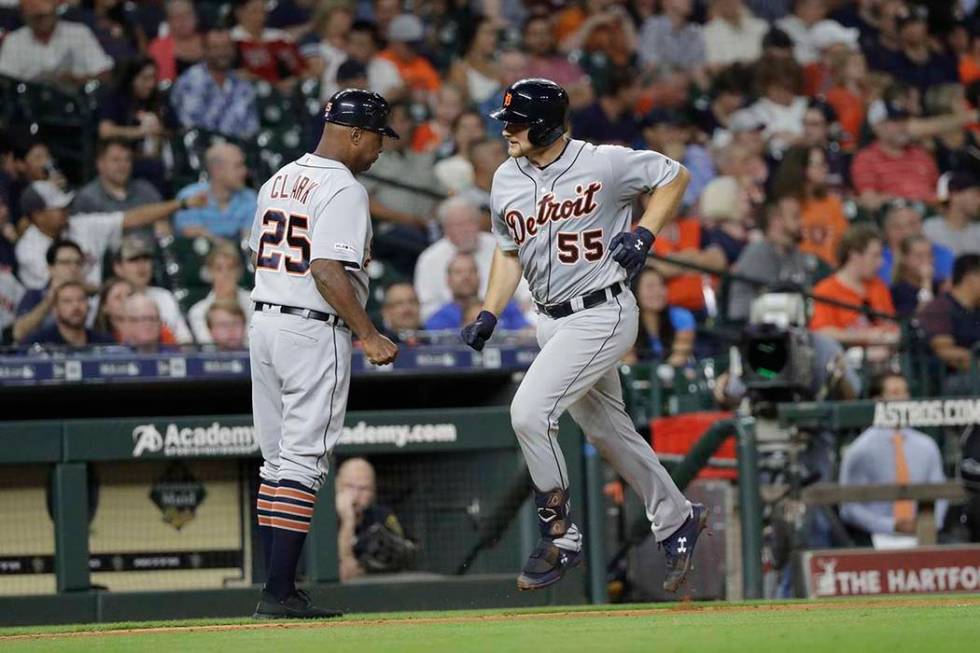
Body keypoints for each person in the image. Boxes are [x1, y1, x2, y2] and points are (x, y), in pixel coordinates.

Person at [460, 78, 706, 593]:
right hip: (551, 319)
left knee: (529, 412)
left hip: (602, 312)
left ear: (547, 123)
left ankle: (559, 536)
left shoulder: (603, 162)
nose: (507, 129)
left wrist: (645, 232)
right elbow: (508, 253)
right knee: (608, 433)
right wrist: (489, 311)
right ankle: (676, 516)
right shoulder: (506, 177)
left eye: (517, 122)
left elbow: (674, 176)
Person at [249, 89, 398, 619]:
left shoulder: (277, 178)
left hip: (265, 320)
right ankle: (280, 593)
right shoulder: (344, 187)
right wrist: (368, 334)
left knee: (276, 464)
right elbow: (325, 268)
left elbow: (257, 253)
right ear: (355, 133)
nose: (381, 147)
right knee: (303, 462)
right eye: (378, 135)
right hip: (313, 330)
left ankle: (276, 587)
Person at [15, 181, 205, 290]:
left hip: (97, 312)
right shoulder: (28, 249)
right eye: (57, 208)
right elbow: (62, 288)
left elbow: (133, 218)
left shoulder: (81, 225)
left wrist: (182, 204)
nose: (65, 210)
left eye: (65, 205)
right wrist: (106, 290)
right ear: (37, 215)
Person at [840, 372, 948, 542]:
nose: (903, 398)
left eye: (906, 392)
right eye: (896, 393)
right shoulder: (860, 449)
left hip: (925, 536)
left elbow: (941, 493)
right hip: (874, 538)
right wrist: (891, 525)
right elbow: (849, 507)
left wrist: (930, 524)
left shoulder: (927, 445)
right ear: (878, 400)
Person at [359, 102, 443, 277]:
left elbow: (440, 195)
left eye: (404, 121)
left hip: (428, 227)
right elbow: (363, 200)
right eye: (393, 121)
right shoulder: (373, 160)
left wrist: (430, 219)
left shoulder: (422, 159)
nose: (400, 127)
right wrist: (407, 219)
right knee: (417, 246)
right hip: (390, 229)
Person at [728, 196, 822, 323]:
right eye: (795, 217)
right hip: (751, 328)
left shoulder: (797, 255)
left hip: (789, 329)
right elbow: (769, 297)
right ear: (776, 221)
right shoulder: (757, 253)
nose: (801, 222)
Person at [810, 224, 898, 348]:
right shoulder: (825, 290)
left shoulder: (879, 286)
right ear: (854, 255)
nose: (881, 262)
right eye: (875, 255)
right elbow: (821, 332)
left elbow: (891, 325)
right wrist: (866, 336)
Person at [414, 197, 497, 321]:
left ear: (479, 223)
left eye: (469, 222)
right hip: (449, 326)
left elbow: (526, 295)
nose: (464, 230)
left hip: (502, 321)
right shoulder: (429, 259)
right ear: (444, 228)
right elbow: (427, 308)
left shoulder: (499, 247)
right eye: (456, 225)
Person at [170, 27, 260, 139]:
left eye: (227, 47)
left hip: (242, 150)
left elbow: (252, 129)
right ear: (205, 50)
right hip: (203, 150)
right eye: (216, 48)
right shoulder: (190, 82)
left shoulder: (243, 85)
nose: (222, 52)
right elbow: (191, 130)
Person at [851, 99, 939, 212]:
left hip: (931, 215)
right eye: (895, 122)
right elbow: (870, 201)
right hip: (896, 218)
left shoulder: (920, 154)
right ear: (877, 127)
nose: (902, 126)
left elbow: (937, 191)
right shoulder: (866, 159)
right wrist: (902, 201)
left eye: (904, 121)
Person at [335, 457, 414, 581]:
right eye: (349, 486)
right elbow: (344, 572)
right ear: (336, 485)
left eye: (363, 489)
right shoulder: (318, 519)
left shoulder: (382, 516)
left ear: (373, 492)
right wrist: (348, 521)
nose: (355, 495)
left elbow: (406, 556)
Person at [0, 0, 113, 86]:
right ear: (24, 15)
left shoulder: (79, 33)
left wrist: (77, 80)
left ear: (55, 9)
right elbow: (5, 81)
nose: (43, 21)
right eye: (37, 17)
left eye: (46, 15)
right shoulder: (14, 41)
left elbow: (104, 73)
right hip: (30, 106)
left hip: (77, 103)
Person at [771, 144, 848, 267]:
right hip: (798, 271)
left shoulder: (833, 203)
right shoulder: (788, 204)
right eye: (818, 164)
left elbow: (843, 242)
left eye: (824, 163)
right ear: (801, 168)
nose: (825, 168)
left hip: (831, 272)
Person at [111, 235, 193, 343]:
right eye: (133, 260)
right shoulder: (111, 298)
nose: (141, 266)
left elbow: (184, 340)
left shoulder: (164, 296)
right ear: (118, 267)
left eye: (146, 258)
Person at [424, 253, 528, 332]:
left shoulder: (503, 307)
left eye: (471, 271)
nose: (466, 277)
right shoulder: (439, 319)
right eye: (458, 272)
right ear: (448, 280)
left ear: (479, 277)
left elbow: (526, 332)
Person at [174, 143, 257, 240]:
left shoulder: (250, 197)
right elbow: (193, 237)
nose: (245, 171)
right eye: (238, 166)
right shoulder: (189, 197)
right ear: (217, 170)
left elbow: (250, 241)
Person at [71, 139, 163, 228]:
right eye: (116, 160)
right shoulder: (87, 199)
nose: (123, 165)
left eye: (127, 159)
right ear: (100, 163)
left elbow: (164, 227)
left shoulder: (146, 190)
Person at [12, 239, 87, 343]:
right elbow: (18, 333)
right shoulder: (35, 295)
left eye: (78, 263)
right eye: (66, 262)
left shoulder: (89, 295)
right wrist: (48, 301)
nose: (73, 268)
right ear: (50, 268)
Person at [917, 254, 980, 375]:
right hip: (953, 377)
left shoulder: (976, 307)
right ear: (971, 277)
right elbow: (944, 350)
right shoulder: (941, 307)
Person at [520, 15, 592, 110]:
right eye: (535, 34)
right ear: (525, 37)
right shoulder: (520, 66)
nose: (541, 38)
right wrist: (568, 91)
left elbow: (587, 95)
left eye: (546, 33)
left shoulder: (566, 64)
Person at [230, 0, 306, 88]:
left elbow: (303, 69)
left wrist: (296, 80)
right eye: (254, 11)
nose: (260, 17)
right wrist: (273, 85)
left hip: (293, 92)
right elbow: (237, 75)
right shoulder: (232, 41)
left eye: (263, 11)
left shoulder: (281, 38)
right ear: (239, 12)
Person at [187, 242, 252, 343]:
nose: (225, 274)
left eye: (231, 268)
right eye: (219, 269)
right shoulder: (198, 311)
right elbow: (208, 347)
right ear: (210, 272)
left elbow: (252, 343)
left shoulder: (253, 302)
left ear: (239, 272)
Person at [878, 200, 954, 286]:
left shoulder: (942, 254)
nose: (906, 232)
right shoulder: (878, 260)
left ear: (921, 226)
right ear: (886, 232)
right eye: (897, 227)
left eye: (912, 224)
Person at [629, 267, 694, 366]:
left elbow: (679, 357)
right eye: (650, 287)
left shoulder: (681, 316)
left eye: (661, 285)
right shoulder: (626, 323)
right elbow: (629, 362)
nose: (657, 292)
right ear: (635, 291)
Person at [24, 281, 113, 346]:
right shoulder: (37, 343)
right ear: (55, 309)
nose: (76, 306)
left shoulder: (104, 343)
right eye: (67, 301)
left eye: (81, 299)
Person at [570, 68, 640, 147]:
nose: (639, 94)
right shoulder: (588, 115)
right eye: (635, 88)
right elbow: (575, 144)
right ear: (622, 90)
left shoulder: (630, 119)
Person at [378, 14, 440, 100]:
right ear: (394, 42)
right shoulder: (381, 62)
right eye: (410, 44)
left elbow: (436, 94)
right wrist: (402, 90)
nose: (414, 48)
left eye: (417, 44)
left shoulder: (422, 63)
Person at [637, 0, 705, 77]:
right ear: (666, 2)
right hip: (658, 84)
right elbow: (650, 65)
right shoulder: (653, 27)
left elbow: (699, 69)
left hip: (686, 85)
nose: (689, 1)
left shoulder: (695, 31)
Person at [147, 0, 204, 83]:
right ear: (168, 21)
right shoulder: (157, 47)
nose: (183, 21)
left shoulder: (209, 41)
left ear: (196, 17)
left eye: (187, 15)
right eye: (177, 17)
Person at [924, 172, 980, 257]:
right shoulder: (929, 229)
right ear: (955, 195)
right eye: (975, 194)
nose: (978, 201)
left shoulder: (978, 231)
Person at [447, 15, 500, 105]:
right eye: (488, 33)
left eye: (494, 34)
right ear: (472, 36)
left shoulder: (497, 65)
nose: (494, 39)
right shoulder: (460, 69)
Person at [703, 0, 768, 67]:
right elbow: (714, 65)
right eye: (724, 1)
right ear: (715, 4)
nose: (730, 3)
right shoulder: (708, 32)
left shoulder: (761, 26)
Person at [890, 235, 939, 319]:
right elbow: (920, 319)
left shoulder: (938, 286)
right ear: (905, 259)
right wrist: (926, 281)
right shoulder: (898, 290)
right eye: (919, 256)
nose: (926, 260)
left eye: (929, 255)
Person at [93, 276, 135, 340]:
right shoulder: (96, 339)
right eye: (118, 297)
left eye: (129, 295)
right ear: (105, 307)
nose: (126, 301)